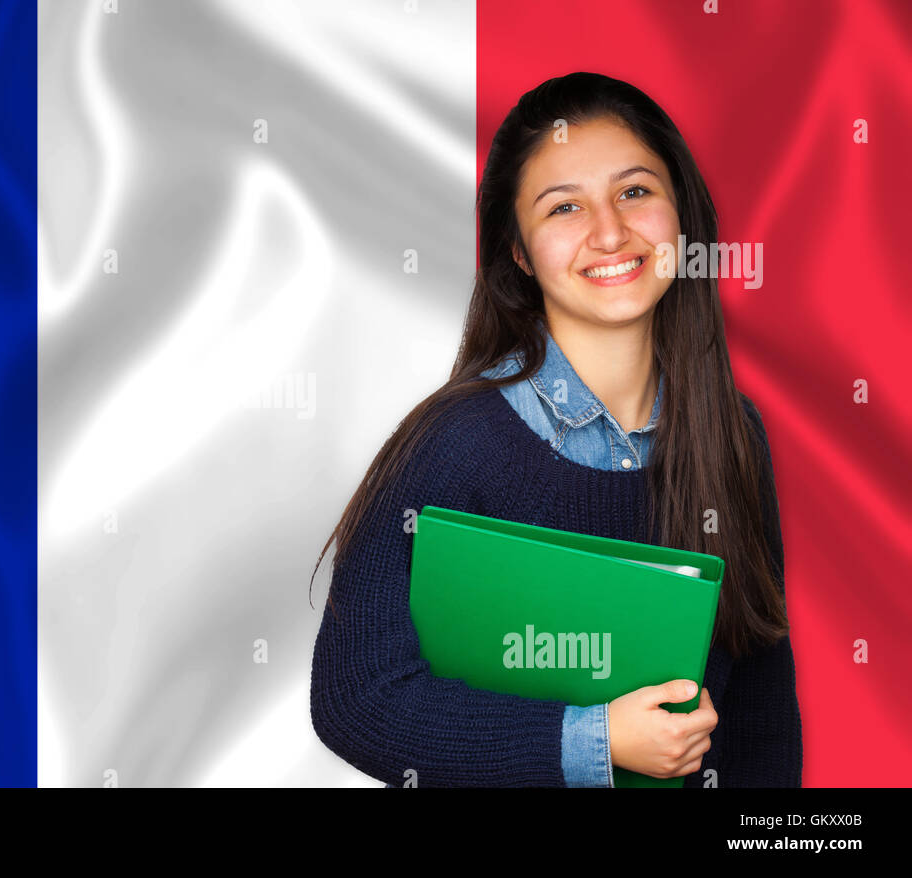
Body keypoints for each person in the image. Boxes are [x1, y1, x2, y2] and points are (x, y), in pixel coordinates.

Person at [308, 72, 802, 788]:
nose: (610, 232)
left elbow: (760, 710)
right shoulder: (453, 445)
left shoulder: (732, 434)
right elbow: (357, 700)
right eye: (564, 207)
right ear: (518, 251)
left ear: (681, 216)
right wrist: (594, 740)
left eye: (635, 192)